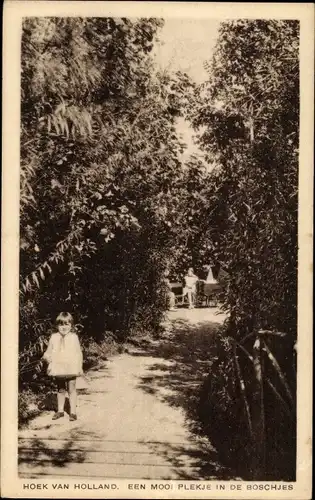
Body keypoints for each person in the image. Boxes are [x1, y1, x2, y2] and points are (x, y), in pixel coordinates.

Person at [42, 312, 83, 421]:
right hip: (59, 367)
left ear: (71, 325)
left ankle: (73, 412)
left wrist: (80, 366)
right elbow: (48, 351)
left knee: (72, 388)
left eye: (67, 324)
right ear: (57, 326)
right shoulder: (54, 337)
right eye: (61, 324)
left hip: (71, 367)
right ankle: (60, 411)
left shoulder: (74, 337)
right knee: (60, 389)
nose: (64, 327)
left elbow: (78, 353)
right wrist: (47, 358)